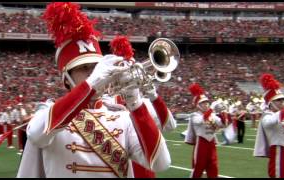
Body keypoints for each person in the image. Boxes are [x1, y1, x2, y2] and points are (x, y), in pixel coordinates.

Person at [17, 2, 171, 178]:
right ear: (67, 79)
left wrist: (135, 102)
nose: (93, 73)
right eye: (84, 68)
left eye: (96, 67)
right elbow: (37, 134)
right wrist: (91, 84)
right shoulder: (48, 113)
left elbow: (161, 162)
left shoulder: (122, 116)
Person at [104, 35, 177, 178]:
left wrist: (154, 96)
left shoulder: (147, 104)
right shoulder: (105, 102)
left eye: (129, 68)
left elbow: (170, 126)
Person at [254, 73, 284, 178]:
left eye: (282, 99)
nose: (282, 102)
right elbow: (271, 121)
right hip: (280, 154)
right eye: (278, 100)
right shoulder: (267, 116)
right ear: (270, 103)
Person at [184, 83, 225, 178]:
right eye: (203, 103)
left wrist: (223, 113)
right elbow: (201, 121)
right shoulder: (195, 115)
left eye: (207, 102)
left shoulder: (212, 115)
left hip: (211, 143)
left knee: (213, 167)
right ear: (198, 105)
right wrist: (211, 109)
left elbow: (222, 124)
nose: (206, 104)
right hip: (201, 143)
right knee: (198, 167)